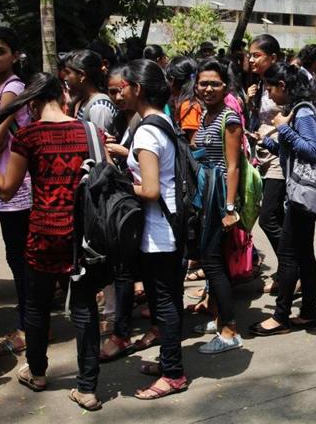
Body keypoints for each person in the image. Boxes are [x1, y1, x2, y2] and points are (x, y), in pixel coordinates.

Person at [0, 73, 105, 410]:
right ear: (63, 94)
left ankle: (39, 373)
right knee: (85, 308)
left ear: (30, 104)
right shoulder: (89, 132)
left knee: (35, 306)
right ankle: (87, 388)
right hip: (84, 237)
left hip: (43, 234)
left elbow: (4, 188)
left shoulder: (29, 136)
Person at [123, 59, 188, 399]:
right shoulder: (163, 119)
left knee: (164, 302)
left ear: (138, 89)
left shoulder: (147, 130)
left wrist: (117, 182)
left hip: (159, 230)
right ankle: (168, 361)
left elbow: (150, 190)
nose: (121, 90)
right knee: (170, 299)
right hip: (171, 223)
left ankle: (174, 374)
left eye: (125, 85)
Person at [249, 63, 316, 335]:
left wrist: (283, 128)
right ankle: (309, 313)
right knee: (303, 255)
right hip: (300, 193)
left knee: (290, 256)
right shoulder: (298, 110)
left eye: (270, 88)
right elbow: (293, 155)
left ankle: (281, 317)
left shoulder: (301, 113)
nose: (268, 93)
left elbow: (312, 152)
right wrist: (269, 142)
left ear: (282, 86)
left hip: (301, 195)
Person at [0, 26, 32, 357]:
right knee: (17, 260)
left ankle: (28, 328)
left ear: (14, 56)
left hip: (19, 190)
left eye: (0, 50)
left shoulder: (12, 89)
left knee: (21, 262)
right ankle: (29, 324)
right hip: (4, 190)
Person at [192, 59, 244, 353]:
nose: (208, 88)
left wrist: (229, 208)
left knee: (212, 261)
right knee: (213, 260)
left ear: (226, 86)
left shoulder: (229, 118)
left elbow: (233, 167)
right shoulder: (206, 115)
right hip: (206, 195)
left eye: (214, 83)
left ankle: (229, 331)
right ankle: (216, 316)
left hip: (220, 197)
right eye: (203, 83)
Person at [98, 65, 144, 361]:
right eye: (112, 91)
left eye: (120, 90)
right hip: (126, 204)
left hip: (139, 205)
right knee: (126, 270)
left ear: (136, 87)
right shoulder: (123, 119)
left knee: (127, 271)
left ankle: (123, 331)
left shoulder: (145, 121)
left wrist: (121, 153)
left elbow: (148, 167)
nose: (116, 96)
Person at [247, 35, 285, 290]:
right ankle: (288, 270)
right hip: (262, 155)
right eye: (250, 55)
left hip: (281, 156)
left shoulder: (286, 83)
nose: (251, 60)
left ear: (272, 58)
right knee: (278, 217)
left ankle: (293, 268)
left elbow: (300, 114)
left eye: (256, 55)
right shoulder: (259, 85)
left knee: (268, 218)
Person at [64, 49, 118, 135]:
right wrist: (71, 105)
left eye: (68, 73)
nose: (65, 78)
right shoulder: (85, 100)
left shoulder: (99, 107)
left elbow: (100, 144)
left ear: (82, 75)